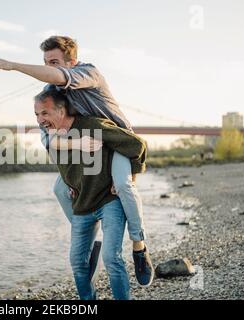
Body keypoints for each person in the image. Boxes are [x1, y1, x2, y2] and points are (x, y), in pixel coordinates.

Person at [0, 35, 154, 287]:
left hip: (117, 141)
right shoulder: (53, 96)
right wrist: (73, 142)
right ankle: (91, 237)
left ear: (72, 62)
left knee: (122, 184)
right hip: (91, 148)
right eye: (45, 62)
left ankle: (139, 246)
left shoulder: (89, 73)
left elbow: (59, 77)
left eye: (54, 62)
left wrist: (12, 65)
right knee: (59, 189)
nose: (48, 68)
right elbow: (48, 138)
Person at [33, 88, 147, 299]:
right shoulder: (50, 138)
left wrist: (130, 176)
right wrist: (69, 182)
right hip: (81, 206)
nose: (40, 120)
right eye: (37, 114)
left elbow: (137, 145)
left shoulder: (92, 125)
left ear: (61, 110)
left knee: (112, 258)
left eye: (45, 113)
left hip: (108, 201)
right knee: (77, 263)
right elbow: (66, 167)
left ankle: (139, 249)